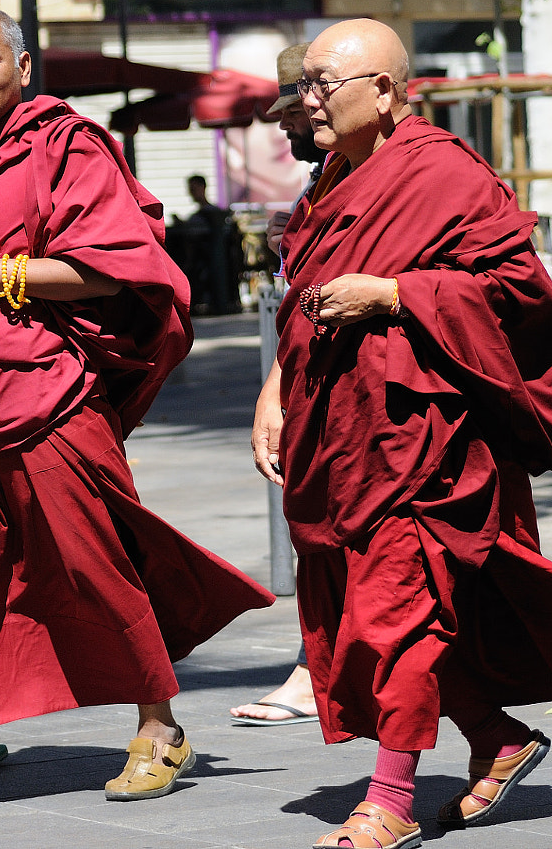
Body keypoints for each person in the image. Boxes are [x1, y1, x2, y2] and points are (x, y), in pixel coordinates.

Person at [0, 6, 274, 823]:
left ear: (23, 68)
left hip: (49, 401)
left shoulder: (68, 142)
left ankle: (160, 725)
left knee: (95, 568)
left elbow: (112, 270)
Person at [255, 19, 552, 848]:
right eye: (306, 84)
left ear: (388, 90)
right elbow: (303, 298)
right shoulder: (332, 178)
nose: (309, 99)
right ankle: (498, 742)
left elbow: (519, 295)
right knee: (381, 611)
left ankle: (389, 800)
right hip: (342, 431)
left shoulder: (444, 171)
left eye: (326, 83)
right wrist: (276, 388)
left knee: (397, 611)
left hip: (424, 435)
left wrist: (397, 295)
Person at [232, 42, 321, 729]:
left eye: (294, 111)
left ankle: (314, 669)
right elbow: (296, 313)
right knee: (316, 537)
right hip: (313, 389)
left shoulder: (387, 180)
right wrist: (273, 394)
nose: (287, 127)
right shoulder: (314, 195)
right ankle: (314, 665)